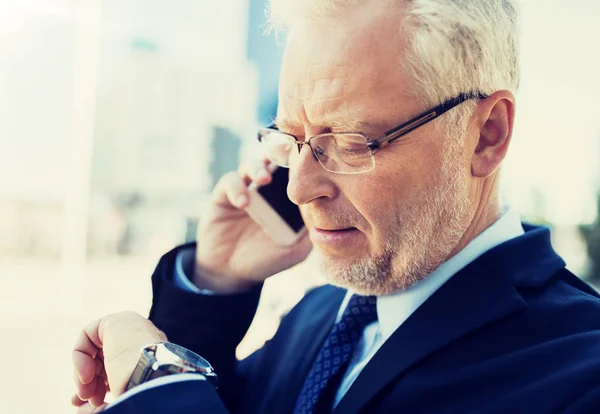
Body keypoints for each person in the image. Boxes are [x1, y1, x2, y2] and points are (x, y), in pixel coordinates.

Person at [72, 0, 600, 413]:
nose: (300, 188)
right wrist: (215, 284)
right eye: (291, 137)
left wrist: (154, 378)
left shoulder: (580, 375)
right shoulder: (322, 313)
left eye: (350, 142)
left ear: (487, 135)